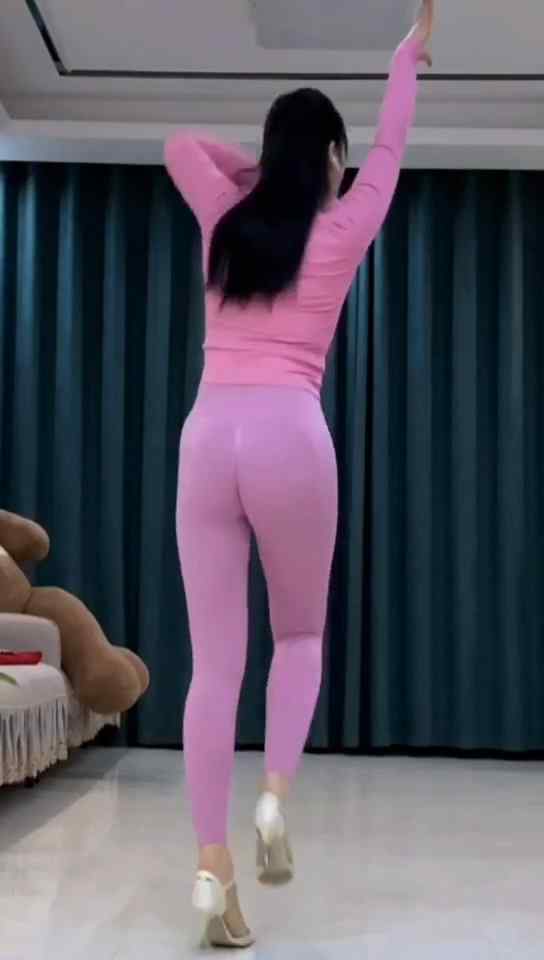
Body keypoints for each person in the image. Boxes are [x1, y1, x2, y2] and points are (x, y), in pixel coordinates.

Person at [164, 0, 434, 948]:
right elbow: (393, 147)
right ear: (330, 161)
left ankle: (212, 867)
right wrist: (406, 59)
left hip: (208, 439)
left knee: (213, 670)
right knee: (302, 635)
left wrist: (260, 174)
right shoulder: (347, 224)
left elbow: (178, 145)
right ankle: (274, 794)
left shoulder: (224, 219)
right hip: (290, 436)